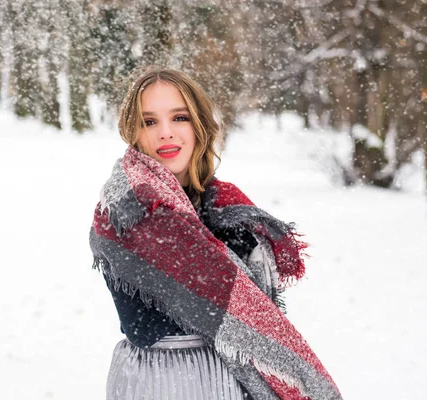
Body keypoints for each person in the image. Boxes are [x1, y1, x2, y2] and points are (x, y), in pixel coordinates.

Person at [89, 67, 342, 400]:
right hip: (162, 384)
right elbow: (148, 327)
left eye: (179, 117)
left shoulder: (224, 208)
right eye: (149, 122)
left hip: (231, 384)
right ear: (133, 133)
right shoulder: (129, 210)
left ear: (199, 126)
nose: (165, 132)